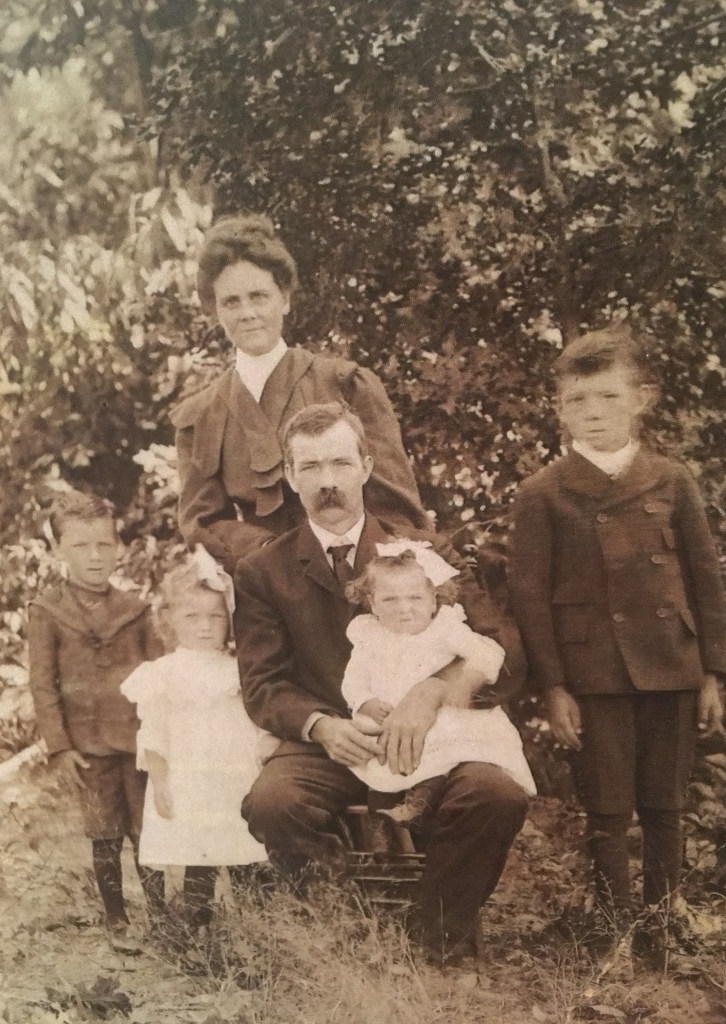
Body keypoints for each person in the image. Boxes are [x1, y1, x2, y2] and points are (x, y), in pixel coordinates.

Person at [234, 402, 530, 966]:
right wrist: (321, 726)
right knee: (273, 802)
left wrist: (435, 690)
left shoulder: (426, 552)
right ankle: (348, 932)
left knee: (496, 794)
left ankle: (435, 937)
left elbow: (504, 645)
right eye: (311, 467)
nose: (327, 481)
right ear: (290, 477)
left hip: (435, 736)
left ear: (367, 467)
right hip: (332, 743)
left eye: (340, 463)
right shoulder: (263, 571)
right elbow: (263, 683)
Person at [508, 326, 726, 973]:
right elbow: (531, 598)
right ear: (560, 410)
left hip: (672, 666)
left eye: (608, 397)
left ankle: (658, 939)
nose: (594, 413)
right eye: (578, 400)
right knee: (607, 813)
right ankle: (612, 941)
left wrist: (712, 672)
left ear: (642, 399)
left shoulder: (672, 480)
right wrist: (554, 687)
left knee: (665, 807)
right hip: (594, 674)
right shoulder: (543, 492)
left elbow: (705, 579)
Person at [172, 213, 429, 574]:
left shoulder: (345, 385)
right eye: (231, 302)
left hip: (362, 573)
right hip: (266, 580)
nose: (247, 313)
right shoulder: (202, 415)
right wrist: (269, 552)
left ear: (285, 299)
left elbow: (397, 511)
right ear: (216, 310)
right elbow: (203, 523)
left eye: (258, 296)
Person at [27, 492, 165, 942]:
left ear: (118, 546)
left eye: (104, 544)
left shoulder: (136, 610)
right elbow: (42, 685)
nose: (94, 556)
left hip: (139, 743)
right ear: (58, 549)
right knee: (104, 834)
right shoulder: (47, 612)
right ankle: (116, 917)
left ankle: (162, 916)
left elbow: (160, 676)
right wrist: (60, 747)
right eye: (81, 546)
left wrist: (164, 737)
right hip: (87, 747)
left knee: (147, 830)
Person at [121, 550, 267, 932]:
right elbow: (154, 731)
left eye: (215, 617)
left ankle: (255, 927)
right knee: (199, 851)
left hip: (236, 773)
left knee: (242, 845)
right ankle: (199, 927)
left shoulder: (240, 668)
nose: (205, 627)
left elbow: (257, 720)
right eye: (192, 617)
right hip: (191, 777)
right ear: (169, 619)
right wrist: (160, 781)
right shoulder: (163, 673)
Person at [341, 544, 536, 822]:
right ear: (372, 603)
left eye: (415, 598)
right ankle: (383, 823)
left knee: (440, 760)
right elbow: (354, 679)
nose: (404, 609)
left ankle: (419, 805)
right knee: (381, 759)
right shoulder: (369, 636)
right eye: (389, 600)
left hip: (445, 720)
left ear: (434, 600)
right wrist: (365, 702)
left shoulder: (445, 629)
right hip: (390, 719)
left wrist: (466, 679)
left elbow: (489, 652)